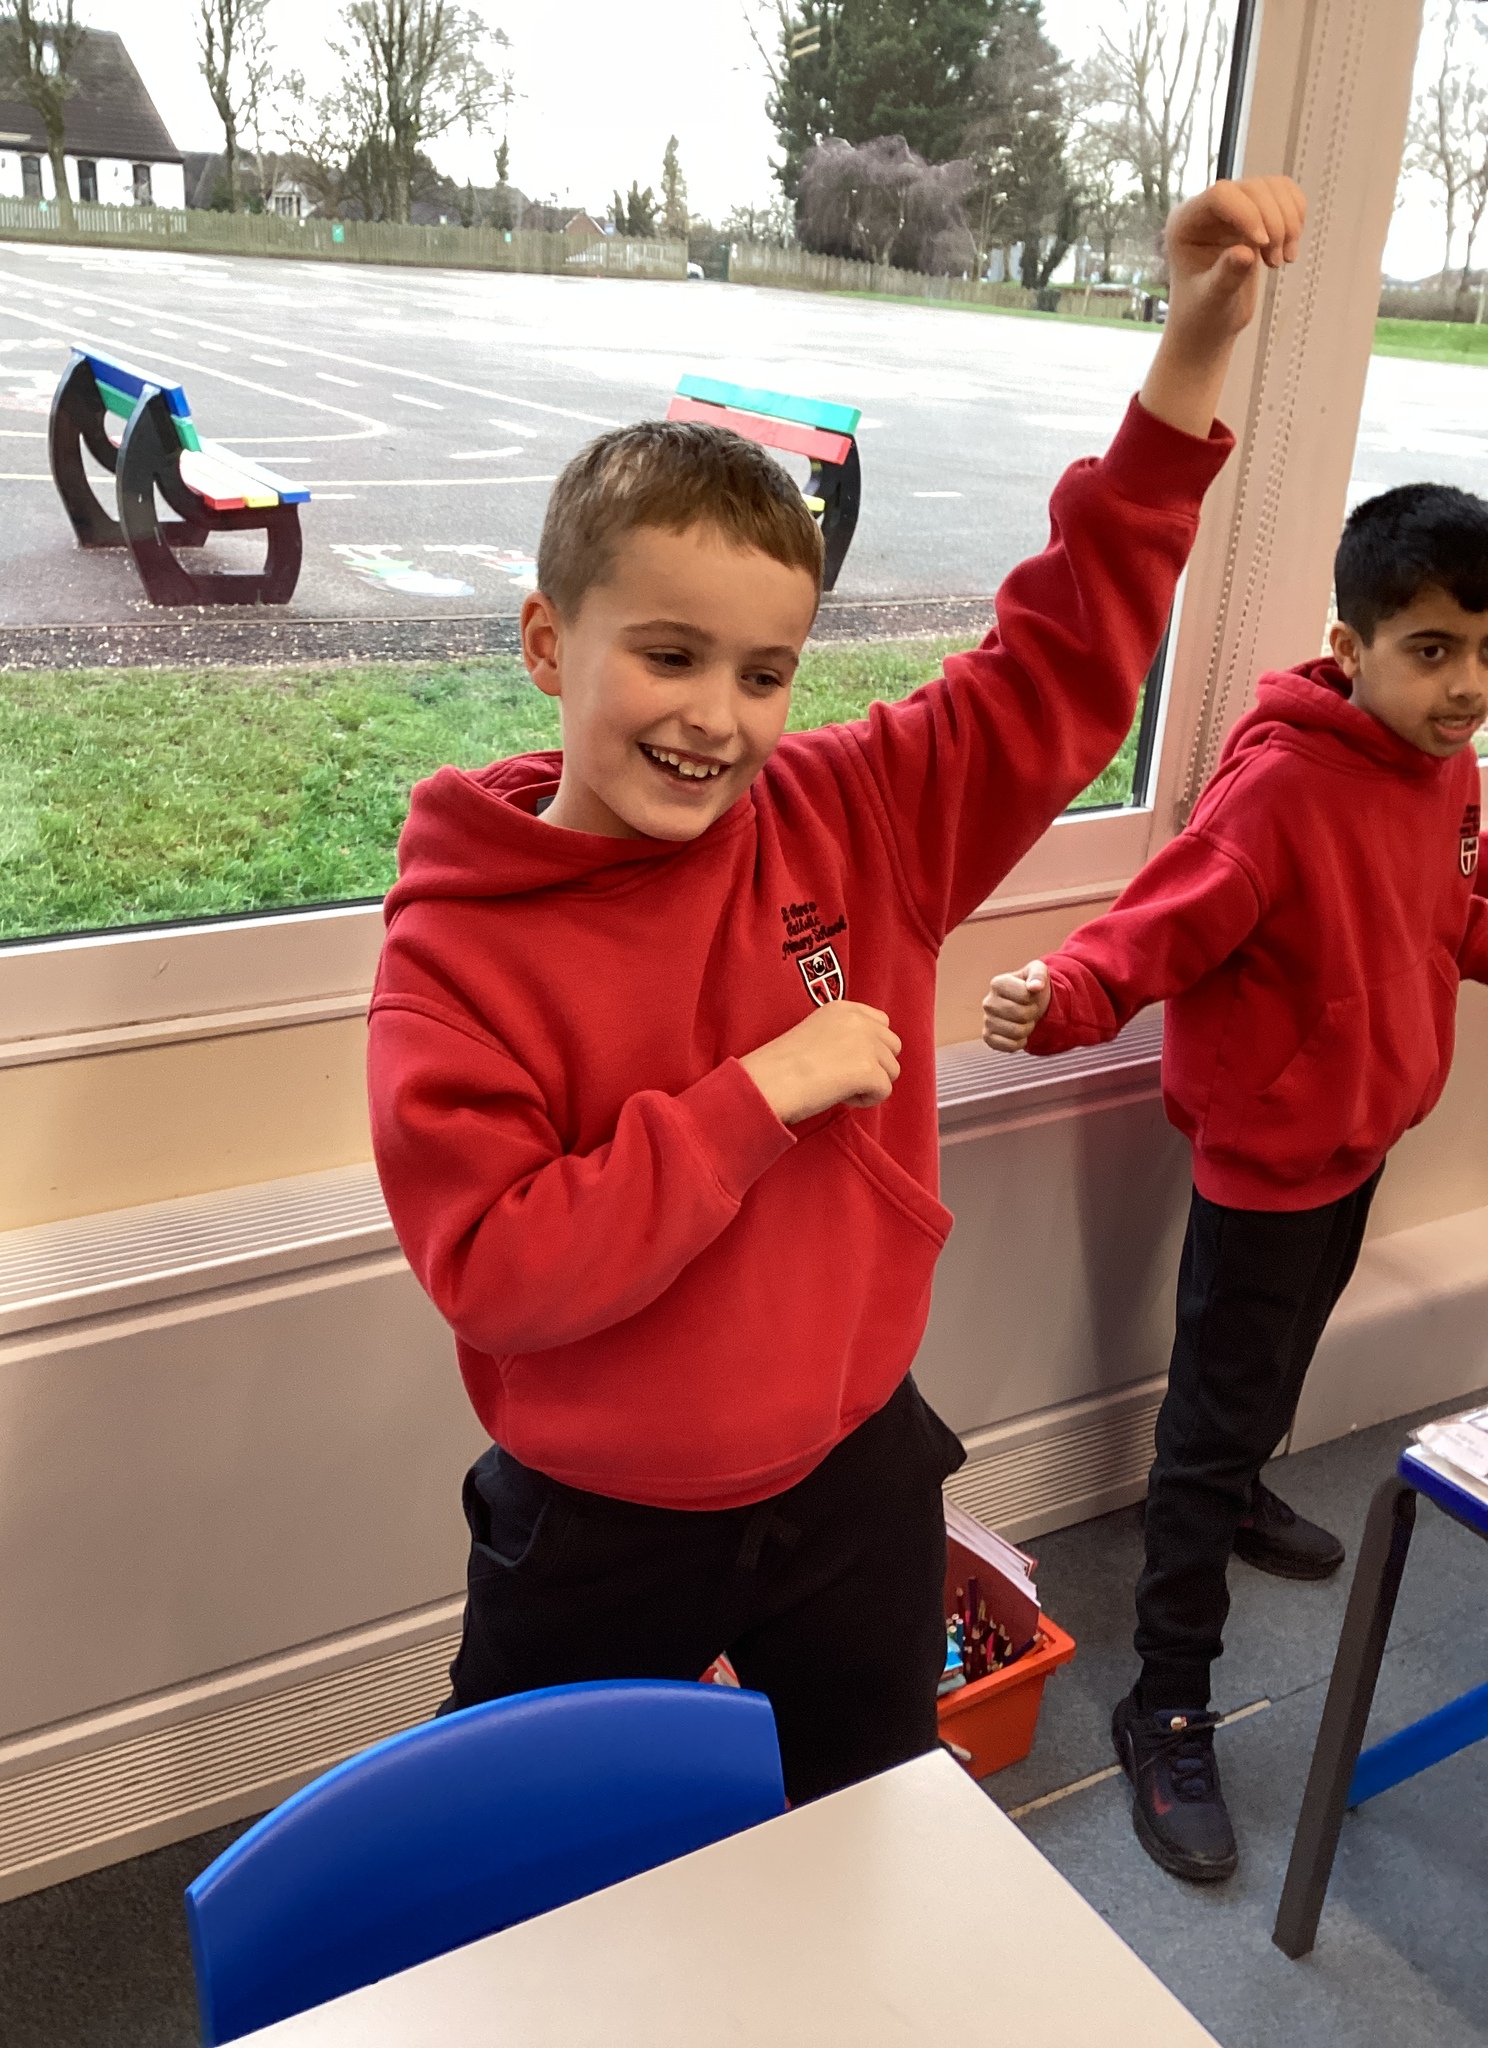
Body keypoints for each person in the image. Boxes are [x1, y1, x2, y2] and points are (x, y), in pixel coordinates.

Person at [367, 176, 1304, 1807]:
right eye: (668, 655)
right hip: (599, 1527)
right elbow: (503, 1273)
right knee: (538, 1871)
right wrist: (759, 1096)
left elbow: (1063, 656)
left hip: (855, 1476)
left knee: (877, 1821)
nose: (716, 718)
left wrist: (1189, 355)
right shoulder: (458, 944)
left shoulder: (855, 815)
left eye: (765, 672)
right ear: (547, 644)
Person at [982, 479, 1488, 1880]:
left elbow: (1453, 909)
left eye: (1487, 653)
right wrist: (1065, 991)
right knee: (1205, 1428)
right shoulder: (1281, 791)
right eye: (1433, 650)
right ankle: (1167, 1699)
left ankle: (1250, 1480)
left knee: (1280, 1364)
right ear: (1351, 646)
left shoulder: (1447, 767)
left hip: (1362, 1136)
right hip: (1266, 1163)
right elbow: (1160, 924)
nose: (1466, 687)